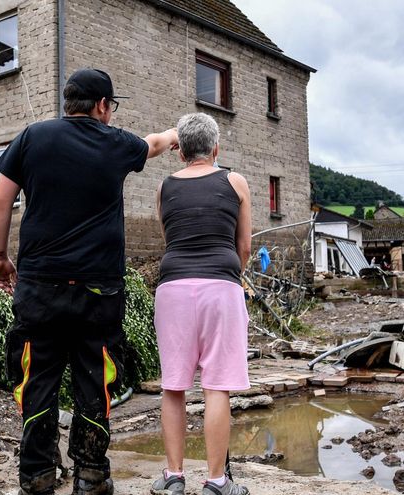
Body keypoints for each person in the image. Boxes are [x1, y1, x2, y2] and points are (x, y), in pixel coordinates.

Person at [0, 68, 179, 495]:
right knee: (96, 378)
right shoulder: (115, 143)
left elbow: (1, 198)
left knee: (36, 377)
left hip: (39, 286)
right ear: (102, 106)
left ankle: (36, 476)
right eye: (112, 107)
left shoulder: (33, 137)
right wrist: (173, 134)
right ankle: (91, 476)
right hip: (100, 290)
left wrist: (0, 258)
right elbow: (151, 146)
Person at [150, 113, 252, 495]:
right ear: (216, 149)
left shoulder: (164, 187)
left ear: (180, 153)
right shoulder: (235, 181)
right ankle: (216, 481)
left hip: (173, 288)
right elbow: (243, 246)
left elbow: (169, 237)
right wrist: (229, 276)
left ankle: (174, 477)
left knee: (173, 386)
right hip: (220, 288)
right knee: (216, 387)